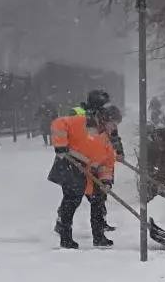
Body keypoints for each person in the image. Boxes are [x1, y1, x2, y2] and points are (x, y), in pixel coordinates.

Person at [48, 103, 121, 249]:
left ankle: (99, 236)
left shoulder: (106, 139)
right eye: (112, 124)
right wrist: (61, 144)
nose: (114, 128)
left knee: (98, 199)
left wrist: (106, 181)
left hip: (87, 170)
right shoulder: (83, 122)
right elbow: (58, 123)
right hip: (70, 163)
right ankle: (66, 238)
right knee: (73, 198)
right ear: (104, 120)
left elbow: (106, 163)